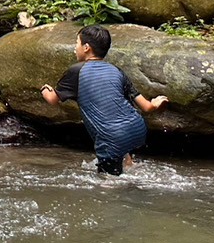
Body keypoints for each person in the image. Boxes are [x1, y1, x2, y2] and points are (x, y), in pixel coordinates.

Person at [40, 25, 168, 176]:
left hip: (111, 138)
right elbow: (146, 107)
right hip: (137, 129)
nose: (75, 48)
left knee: (107, 183)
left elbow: (53, 99)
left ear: (86, 47)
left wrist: (44, 89)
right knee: (121, 148)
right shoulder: (116, 71)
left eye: (77, 43)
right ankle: (128, 161)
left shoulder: (77, 71)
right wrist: (155, 103)